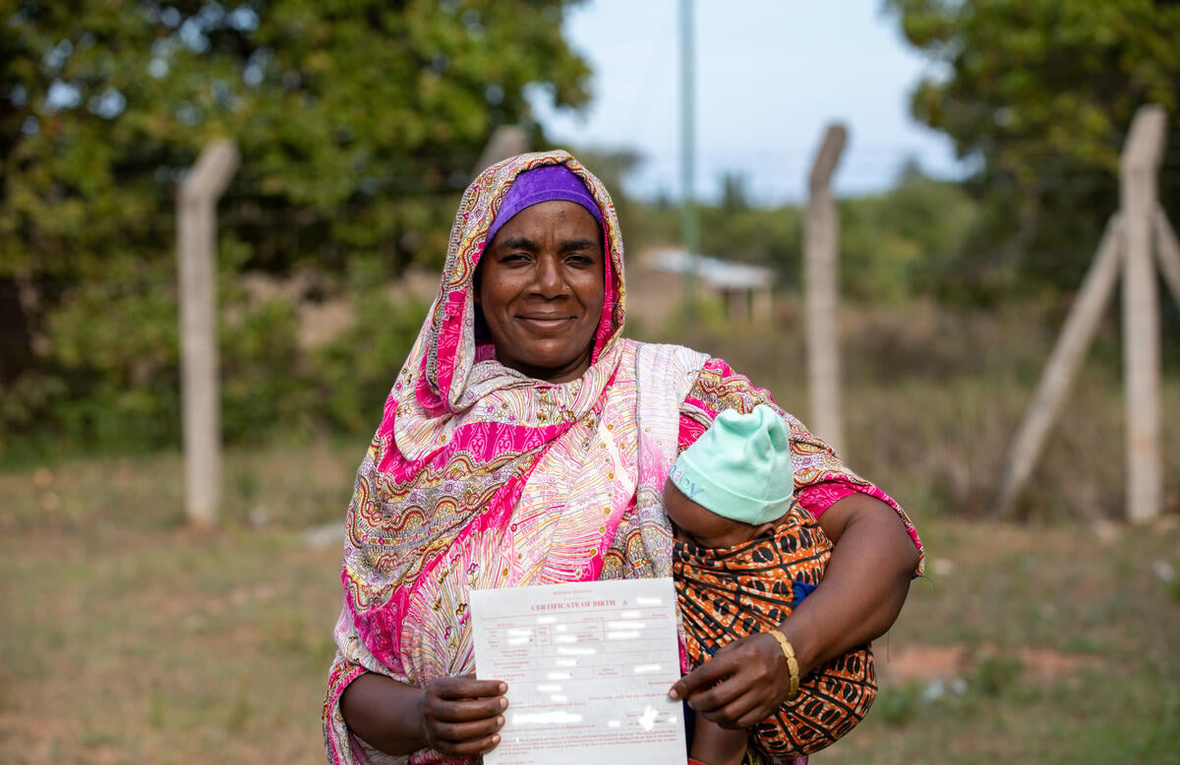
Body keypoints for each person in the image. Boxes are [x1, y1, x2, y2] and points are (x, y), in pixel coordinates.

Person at [322, 150, 924, 765]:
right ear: (472, 275)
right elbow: (356, 682)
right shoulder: (416, 443)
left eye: (578, 258)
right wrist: (424, 717)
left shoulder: (680, 398)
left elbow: (879, 532)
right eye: (518, 257)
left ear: (608, 276)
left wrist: (788, 652)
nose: (551, 283)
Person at [665, 405, 877, 765]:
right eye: (673, 527)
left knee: (724, 678)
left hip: (796, 707)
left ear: (761, 533)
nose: (679, 547)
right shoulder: (735, 529)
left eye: (697, 540)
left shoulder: (765, 580)